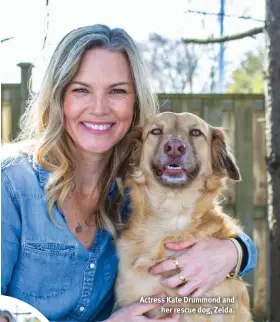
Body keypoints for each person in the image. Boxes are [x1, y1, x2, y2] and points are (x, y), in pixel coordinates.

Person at [1, 24, 257, 322]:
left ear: (135, 103)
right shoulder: (11, 185)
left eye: (117, 91)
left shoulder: (135, 193)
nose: (99, 108)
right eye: (81, 89)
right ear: (58, 98)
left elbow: (217, 229)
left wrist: (234, 252)